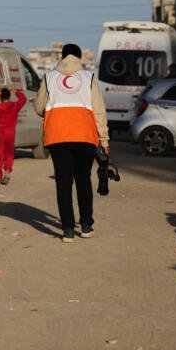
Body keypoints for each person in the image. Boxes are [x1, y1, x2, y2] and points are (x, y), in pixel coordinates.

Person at [34, 43, 110, 242]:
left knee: (63, 183)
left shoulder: (49, 77)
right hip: (85, 136)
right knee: (83, 180)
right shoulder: (88, 77)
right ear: (79, 58)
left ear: (62, 56)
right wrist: (104, 139)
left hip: (57, 137)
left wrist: (51, 111)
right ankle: (86, 226)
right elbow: (99, 111)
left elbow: (39, 107)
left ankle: (67, 230)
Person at [0, 85, 27, 184]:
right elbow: (23, 99)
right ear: (9, 97)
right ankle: (7, 170)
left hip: (1, 134)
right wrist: (15, 90)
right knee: (9, 153)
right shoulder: (15, 106)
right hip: (11, 134)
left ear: (1, 97)